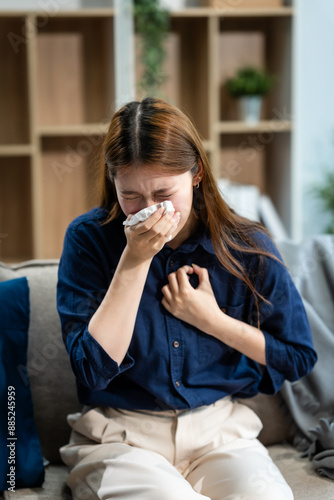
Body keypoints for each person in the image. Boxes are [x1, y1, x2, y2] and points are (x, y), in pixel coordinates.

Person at [57, 97, 317, 500]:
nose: (149, 211)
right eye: (131, 195)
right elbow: (91, 371)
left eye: (164, 192)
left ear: (195, 174)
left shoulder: (246, 246)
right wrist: (133, 262)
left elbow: (297, 355)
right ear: (112, 181)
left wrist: (211, 320)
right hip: (122, 437)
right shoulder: (88, 240)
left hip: (220, 435)